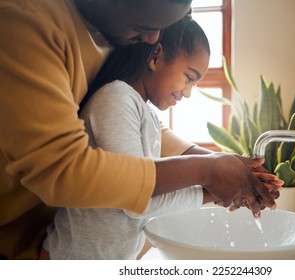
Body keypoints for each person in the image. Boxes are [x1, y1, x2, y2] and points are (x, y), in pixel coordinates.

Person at [0, 0, 279, 260]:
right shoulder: (28, 22)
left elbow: (142, 137)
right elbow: (68, 171)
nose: (152, 39)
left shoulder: (120, 45)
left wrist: (226, 169)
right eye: (146, 28)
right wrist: (210, 175)